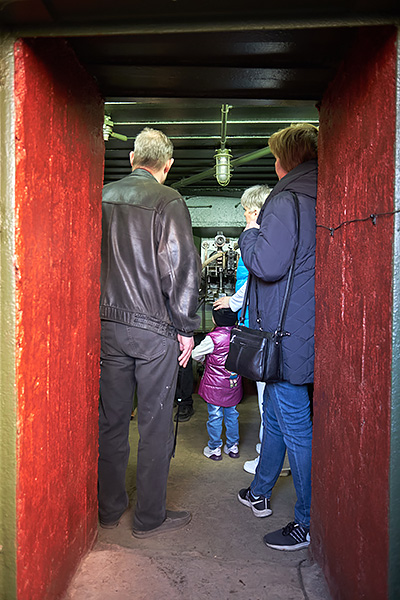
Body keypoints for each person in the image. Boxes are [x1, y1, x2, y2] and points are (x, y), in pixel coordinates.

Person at [98, 127, 201, 538]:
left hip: (107, 326)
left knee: (111, 421)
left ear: (131, 159)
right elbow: (180, 269)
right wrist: (187, 328)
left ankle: (108, 509)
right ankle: (148, 517)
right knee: (156, 425)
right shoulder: (168, 200)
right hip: (155, 330)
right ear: (168, 166)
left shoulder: (102, 196)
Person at [237, 123, 318, 551]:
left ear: (286, 159)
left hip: (285, 337)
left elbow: (266, 264)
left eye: (275, 156)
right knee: (275, 415)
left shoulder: (285, 199)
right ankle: (260, 489)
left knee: (295, 423)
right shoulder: (326, 193)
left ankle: (306, 522)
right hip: (309, 328)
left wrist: (249, 234)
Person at [214, 185, 291, 476]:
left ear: (255, 211)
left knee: (267, 398)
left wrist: (232, 303)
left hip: (262, 330)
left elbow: (255, 278)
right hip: (266, 326)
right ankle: (268, 449)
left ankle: (272, 461)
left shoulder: (259, 237)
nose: (245, 213)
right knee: (271, 397)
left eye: (247, 209)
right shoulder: (276, 237)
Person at [192, 307, 242, 461]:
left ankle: (215, 448)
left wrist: (205, 361)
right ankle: (232, 446)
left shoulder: (212, 338)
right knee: (232, 415)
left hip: (214, 386)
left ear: (214, 320)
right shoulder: (239, 335)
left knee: (215, 416)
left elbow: (195, 354)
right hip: (233, 383)